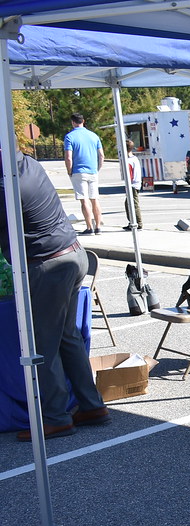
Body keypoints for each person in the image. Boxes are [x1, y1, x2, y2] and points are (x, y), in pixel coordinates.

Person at [1, 150, 110, 442]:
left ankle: (56, 418)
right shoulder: (25, 163)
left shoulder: (7, 184)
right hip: (73, 254)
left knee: (43, 345)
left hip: (49, 265)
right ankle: (91, 405)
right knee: (67, 336)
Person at [64, 112, 105, 235]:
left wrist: (69, 170)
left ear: (73, 122)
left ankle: (89, 227)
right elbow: (101, 155)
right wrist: (97, 168)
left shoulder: (69, 137)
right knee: (95, 199)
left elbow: (69, 157)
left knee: (84, 200)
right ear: (83, 121)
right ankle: (98, 226)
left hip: (78, 171)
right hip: (92, 171)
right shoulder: (94, 136)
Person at [122, 139, 143, 231]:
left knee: (133, 204)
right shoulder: (134, 158)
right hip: (135, 183)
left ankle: (138, 223)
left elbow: (129, 174)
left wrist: (128, 184)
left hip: (133, 185)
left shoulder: (129, 161)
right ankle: (132, 221)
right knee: (128, 204)